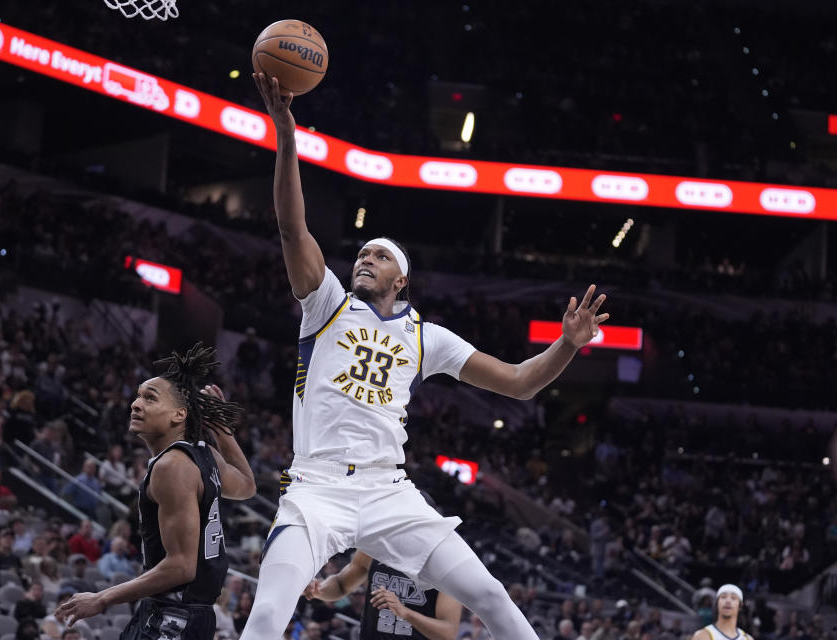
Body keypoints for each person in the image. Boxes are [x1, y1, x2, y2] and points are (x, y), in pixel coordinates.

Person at [244, 72, 611, 639]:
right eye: (361, 253)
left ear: (403, 278)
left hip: (388, 491)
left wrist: (567, 344)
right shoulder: (326, 305)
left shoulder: (428, 338)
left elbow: (519, 384)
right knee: (268, 613)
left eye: (378, 256)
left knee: (490, 593)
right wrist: (286, 131)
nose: (364, 259)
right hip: (316, 488)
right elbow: (293, 230)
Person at [55, 344, 256, 640]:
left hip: (171, 616)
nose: (136, 404)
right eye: (137, 396)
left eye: (149, 398)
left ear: (179, 415)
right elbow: (246, 486)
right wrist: (222, 430)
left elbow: (181, 567)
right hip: (196, 615)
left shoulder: (172, 465)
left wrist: (101, 598)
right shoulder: (204, 455)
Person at [305, 549, 462, 640]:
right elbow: (341, 584)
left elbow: (448, 633)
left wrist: (406, 613)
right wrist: (318, 589)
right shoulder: (375, 548)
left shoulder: (444, 563)